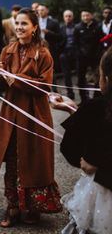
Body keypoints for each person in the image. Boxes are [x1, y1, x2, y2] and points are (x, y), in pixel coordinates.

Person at [0, 8, 62, 228]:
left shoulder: (44, 53)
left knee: (32, 158)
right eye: (17, 23)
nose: (19, 27)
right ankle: (12, 206)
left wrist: (16, 79)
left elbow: (44, 86)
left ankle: (33, 207)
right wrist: (0, 75)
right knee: (12, 158)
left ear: (34, 27)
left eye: (24, 24)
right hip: (11, 112)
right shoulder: (7, 51)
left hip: (34, 112)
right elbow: (1, 85)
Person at [50, 47, 112, 234]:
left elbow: (71, 151)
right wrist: (73, 110)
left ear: (106, 78)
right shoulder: (94, 109)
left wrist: (96, 164)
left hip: (105, 197)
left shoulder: (95, 108)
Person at [74, 10, 103, 104]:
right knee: (81, 78)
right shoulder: (77, 27)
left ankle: (96, 98)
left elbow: (100, 41)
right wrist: (79, 53)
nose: (85, 17)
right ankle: (83, 99)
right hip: (82, 57)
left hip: (95, 57)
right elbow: (76, 43)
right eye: (83, 16)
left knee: (98, 77)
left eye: (87, 15)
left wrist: (97, 54)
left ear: (91, 16)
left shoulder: (98, 26)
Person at [59, 10, 78, 100]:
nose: (68, 18)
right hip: (65, 53)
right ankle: (70, 94)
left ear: (72, 17)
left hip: (76, 52)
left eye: (69, 16)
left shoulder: (77, 27)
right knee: (67, 75)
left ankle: (83, 93)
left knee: (79, 74)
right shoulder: (61, 28)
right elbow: (58, 41)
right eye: (66, 16)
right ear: (64, 17)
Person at [37, 4, 61, 69]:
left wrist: (49, 32)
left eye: (42, 10)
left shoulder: (54, 22)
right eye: (38, 10)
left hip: (51, 48)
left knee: (50, 67)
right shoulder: (35, 22)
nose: (40, 12)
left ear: (47, 11)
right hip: (37, 48)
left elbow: (59, 36)